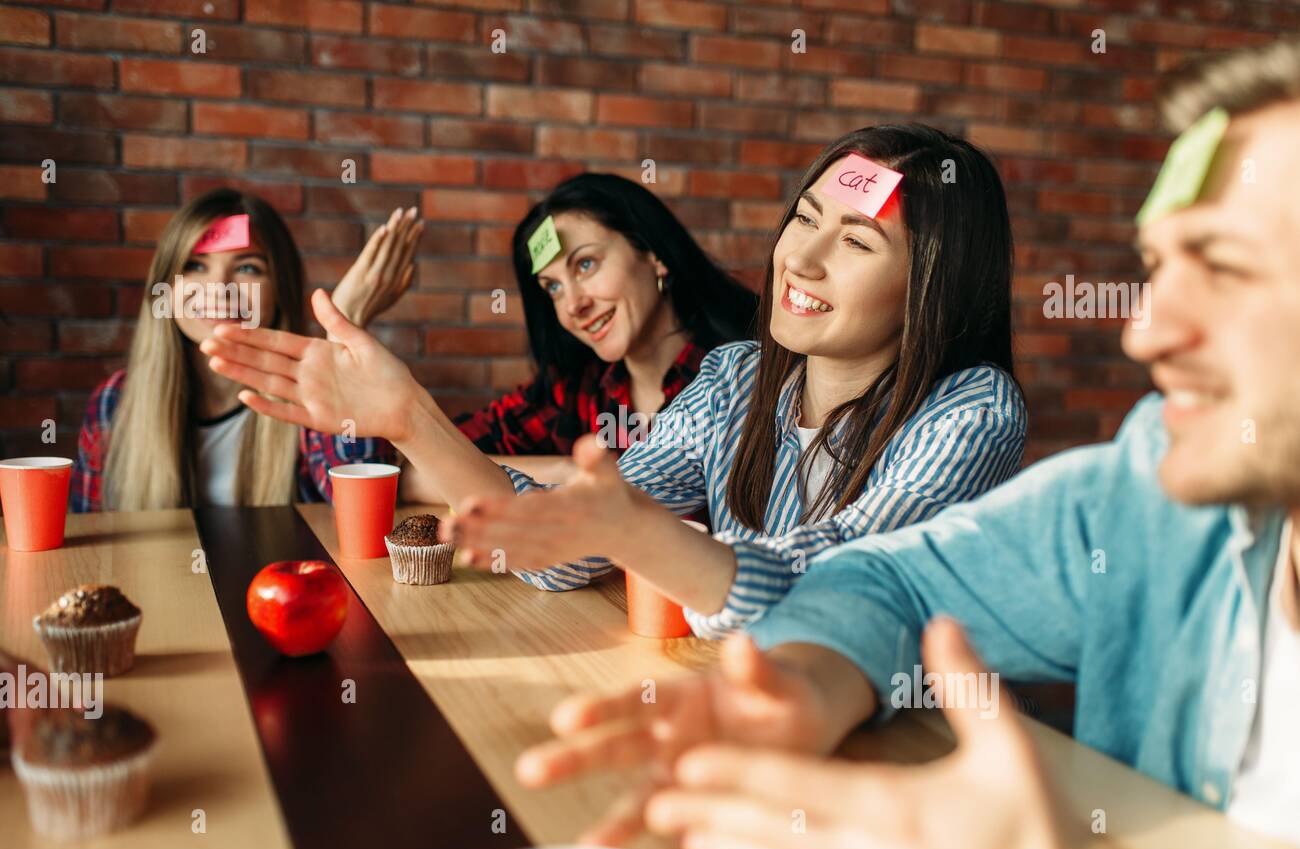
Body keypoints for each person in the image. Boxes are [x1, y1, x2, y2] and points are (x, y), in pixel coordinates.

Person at [512, 39, 1300, 849]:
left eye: (1226, 267)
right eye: (1156, 266)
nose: (1146, 330)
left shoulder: (975, 408)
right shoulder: (1153, 490)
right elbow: (887, 575)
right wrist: (809, 684)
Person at [199, 125, 1026, 637]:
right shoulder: (737, 381)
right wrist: (408, 416)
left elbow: (843, 577)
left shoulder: (972, 409)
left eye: (855, 240)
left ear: (935, 285)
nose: (798, 259)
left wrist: (629, 530)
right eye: (804, 219)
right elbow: (564, 552)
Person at [70, 189, 420, 511]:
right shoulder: (114, 402)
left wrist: (344, 324)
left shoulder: (308, 399)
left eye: (247, 268)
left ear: (280, 291)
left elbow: (367, 511)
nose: (218, 288)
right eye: (196, 266)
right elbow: (89, 551)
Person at [451, 173, 757, 460]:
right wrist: (565, 471)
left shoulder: (740, 379)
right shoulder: (578, 389)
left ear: (653, 254)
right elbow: (437, 456)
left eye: (585, 264)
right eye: (553, 287)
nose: (573, 305)